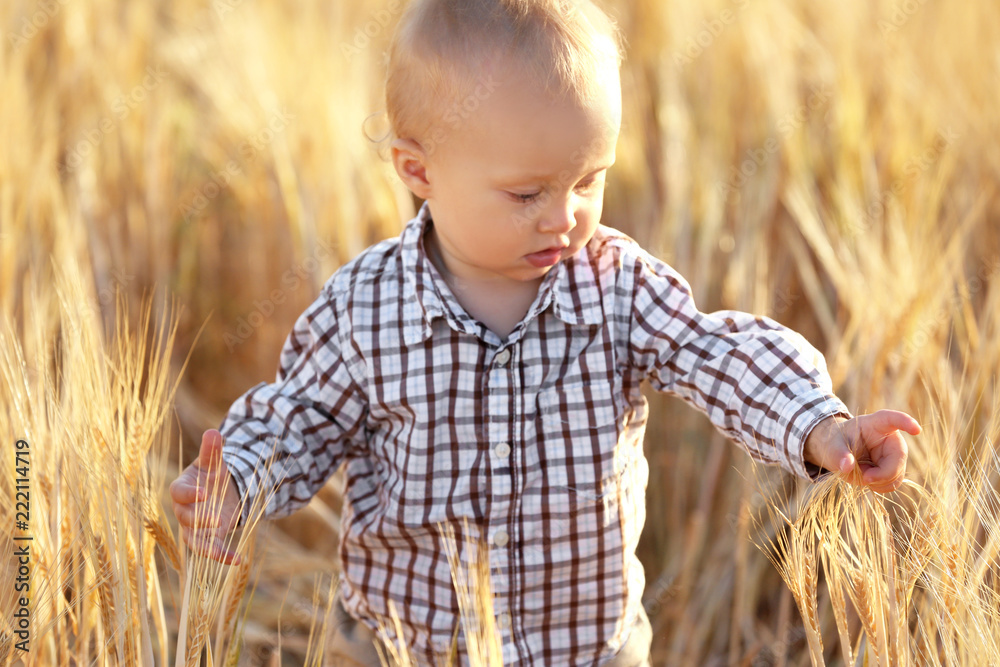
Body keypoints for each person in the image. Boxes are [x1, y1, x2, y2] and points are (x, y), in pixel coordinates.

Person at [170, 1, 922, 664]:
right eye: (527, 191)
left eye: (589, 179)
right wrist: (239, 478)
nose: (565, 215)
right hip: (407, 649)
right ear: (417, 168)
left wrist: (818, 424)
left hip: (592, 647)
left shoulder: (615, 287)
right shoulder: (365, 308)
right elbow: (301, 415)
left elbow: (715, 350)